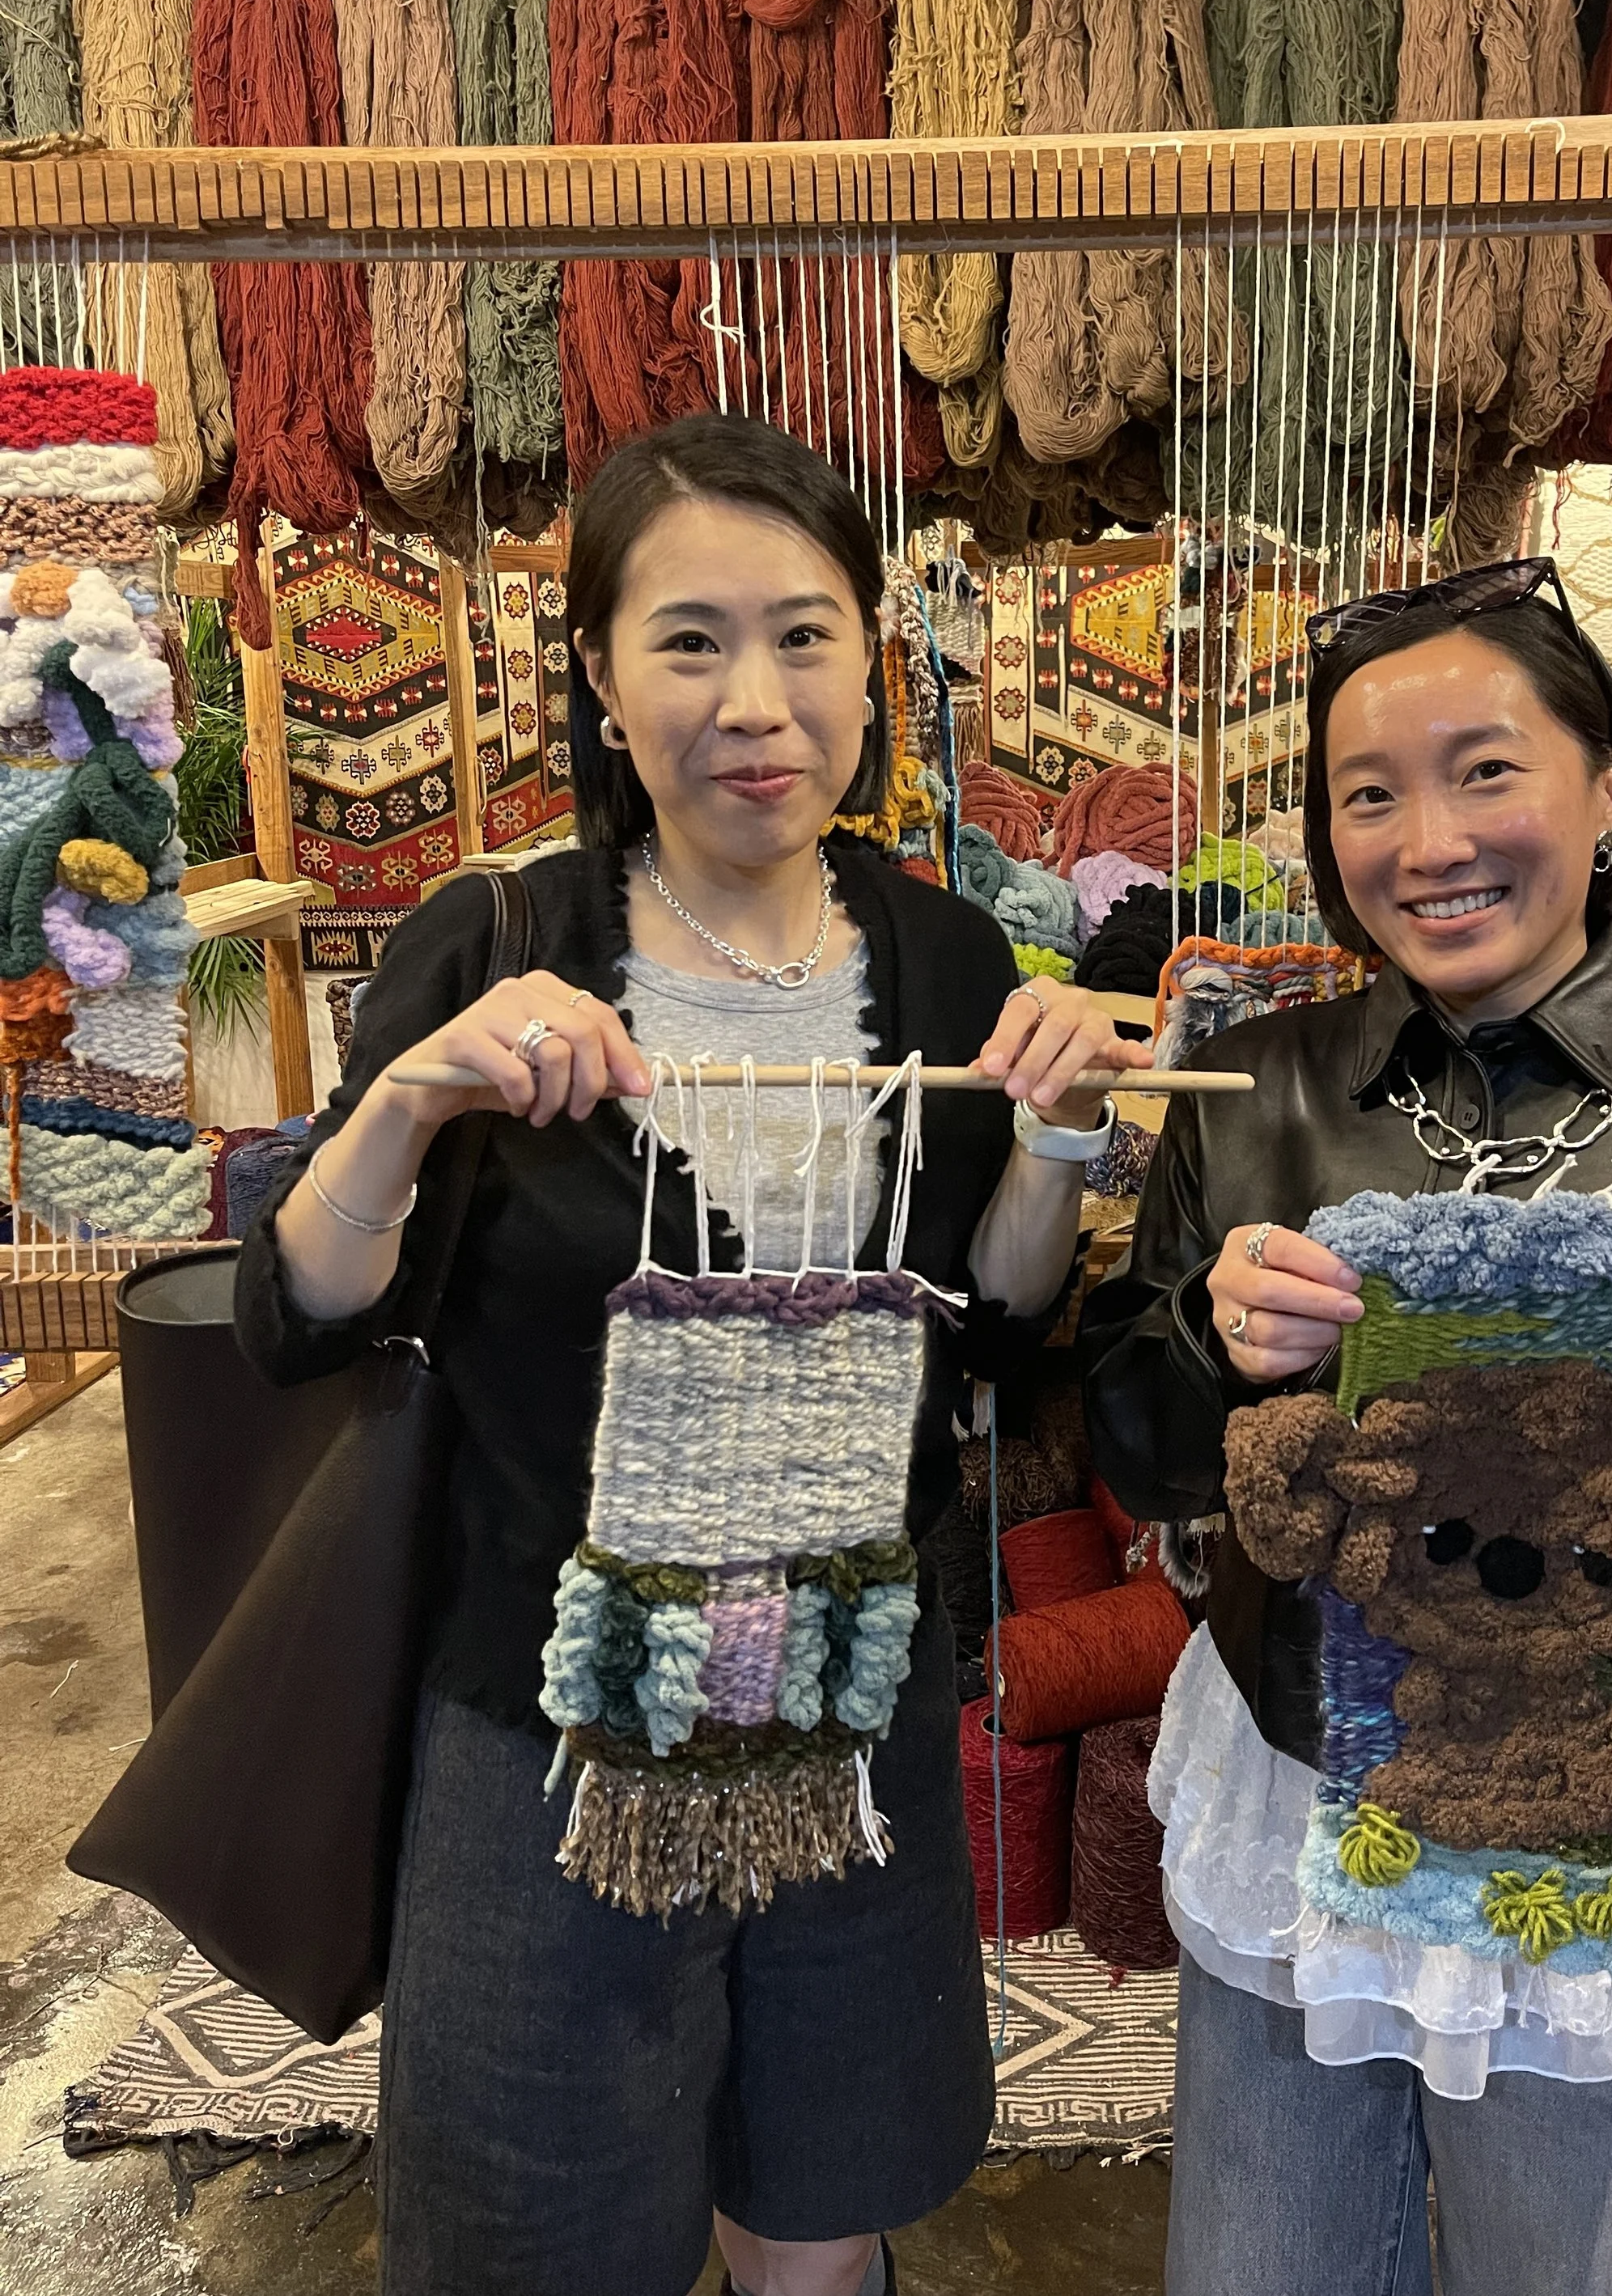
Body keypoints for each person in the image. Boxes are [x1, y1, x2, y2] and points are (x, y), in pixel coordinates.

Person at [236, 413, 1146, 2296]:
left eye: (806, 636)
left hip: (851, 1706)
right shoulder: (499, 941)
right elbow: (297, 1317)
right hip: (550, 1725)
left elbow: (988, 1322)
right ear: (594, 669)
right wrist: (409, 1095)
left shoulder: (951, 960)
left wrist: (1058, 1139)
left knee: (816, 2218)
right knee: (539, 2234)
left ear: (871, 660)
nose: (757, 702)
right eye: (689, 640)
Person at [1082, 556, 1612, 2296]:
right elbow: (1141, 1459)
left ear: (1605, 789)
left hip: (1599, 1870)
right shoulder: (1253, 1105)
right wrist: (1208, 1342)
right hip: (1303, 1813)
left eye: (1485, 769)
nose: (1425, 839)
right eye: (1365, 793)